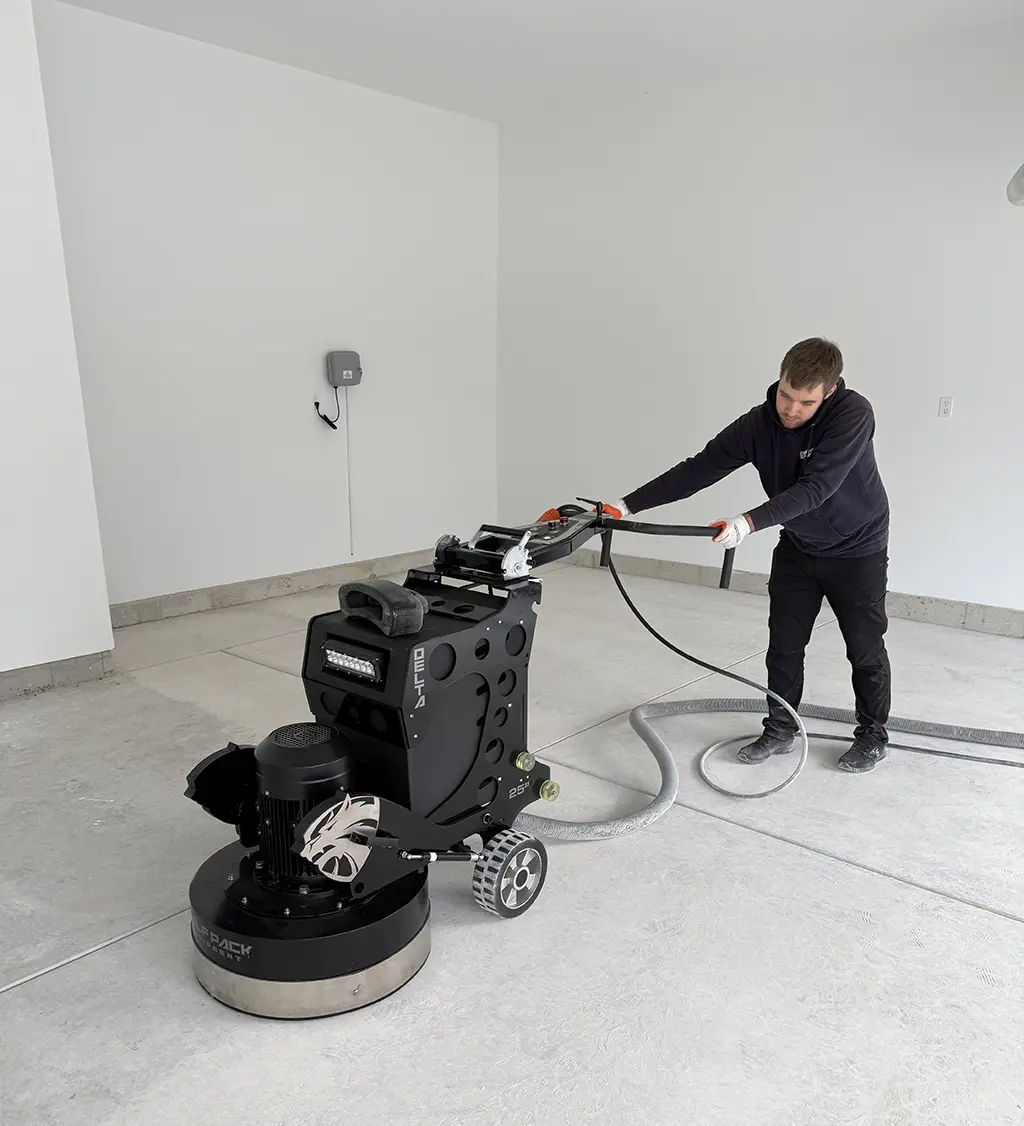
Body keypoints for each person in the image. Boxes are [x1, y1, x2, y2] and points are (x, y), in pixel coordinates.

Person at [605, 337, 891, 773]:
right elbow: (698, 468)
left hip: (857, 548)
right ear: (779, 380)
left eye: (806, 402)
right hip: (799, 546)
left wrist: (748, 522)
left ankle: (872, 736)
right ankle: (780, 729)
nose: (791, 409)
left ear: (829, 391)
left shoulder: (853, 414)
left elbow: (816, 488)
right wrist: (625, 506)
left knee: (864, 648)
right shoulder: (759, 425)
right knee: (784, 644)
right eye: (786, 395)